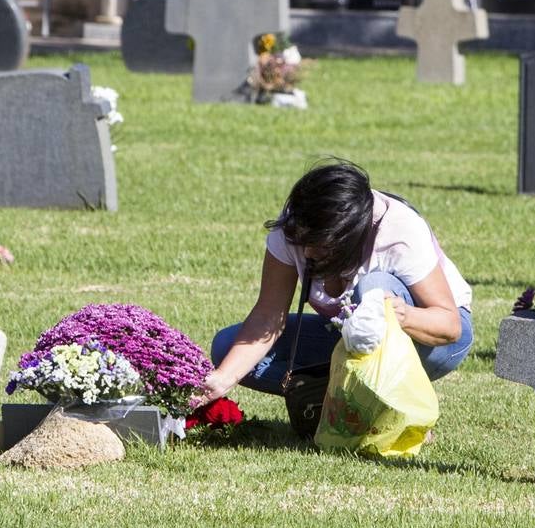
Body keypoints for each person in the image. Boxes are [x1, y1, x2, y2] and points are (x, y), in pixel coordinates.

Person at [203, 160, 473, 404]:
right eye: (302, 241)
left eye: (319, 246)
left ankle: (396, 402)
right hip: (347, 336)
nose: (306, 252)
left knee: (373, 289)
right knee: (227, 346)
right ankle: (342, 403)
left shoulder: (399, 232)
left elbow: (450, 326)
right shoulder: (297, 226)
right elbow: (267, 316)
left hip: (434, 343)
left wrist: (403, 316)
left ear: (348, 237)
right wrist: (223, 379)